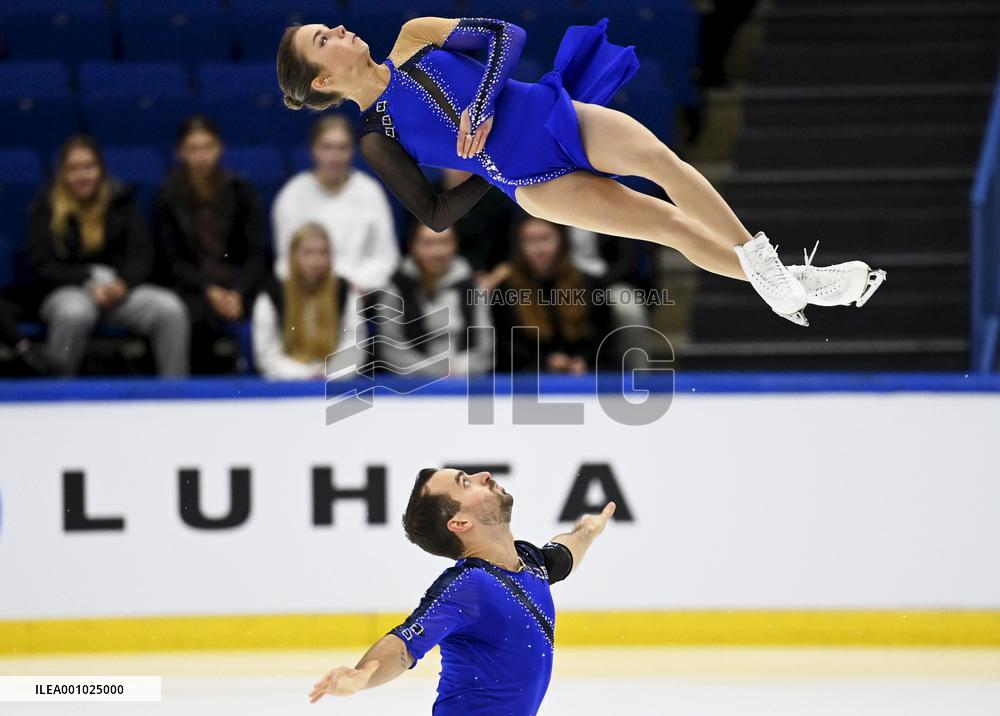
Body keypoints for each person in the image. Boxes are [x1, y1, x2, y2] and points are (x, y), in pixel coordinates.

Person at [276, 16, 885, 328]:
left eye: (327, 27)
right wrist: (487, 167)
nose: (339, 30)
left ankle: (777, 274)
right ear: (323, 80)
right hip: (535, 185)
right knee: (668, 226)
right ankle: (795, 284)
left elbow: (506, 36)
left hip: (555, 116)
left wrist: (483, 106)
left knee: (661, 164)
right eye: (323, 39)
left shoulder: (414, 36)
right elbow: (435, 216)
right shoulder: (377, 140)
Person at [308, 467, 616, 714]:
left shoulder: (530, 562)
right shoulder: (468, 585)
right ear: (459, 522)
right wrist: (363, 675)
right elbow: (405, 643)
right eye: (465, 483)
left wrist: (588, 530)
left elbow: (563, 555)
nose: (483, 475)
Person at [27, 134, 189, 377]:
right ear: (62, 172)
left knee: (170, 309)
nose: (82, 175)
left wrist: (122, 283)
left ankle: (175, 391)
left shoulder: (119, 199)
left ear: (100, 168)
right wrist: (87, 281)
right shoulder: (47, 206)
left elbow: (142, 254)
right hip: (69, 289)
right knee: (73, 314)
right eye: (73, 169)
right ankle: (58, 387)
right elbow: (42, 264)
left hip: (119, 290)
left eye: (89, 167)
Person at [153, 115, 267, 374]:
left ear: (219, 148)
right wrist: (209, 290)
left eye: (207, 147)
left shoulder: (241, 192)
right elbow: (171, 260)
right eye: (193, 149)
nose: (201, 156)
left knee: (267, 304)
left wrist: (237, 291)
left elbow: (256, 253)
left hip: (239, 285)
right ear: (180, 152)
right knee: (194, 315)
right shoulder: (167, 196)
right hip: (194, 288)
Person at [271, 115, 399, 290]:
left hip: (363, 293)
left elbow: (386, 256)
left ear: (352, 151)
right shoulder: (292, 195)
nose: (334, 156)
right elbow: (285, 261)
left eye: (342, 148)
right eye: (327, 147)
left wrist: (356, 286)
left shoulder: (370, 192)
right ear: (313, 150)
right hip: (307, 293)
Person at [491, 213, 616, 374]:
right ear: (518, 245)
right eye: (530, 241)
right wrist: (545, 363)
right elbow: (506, 347)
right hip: (528, 381)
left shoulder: (588, 285)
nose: (539, 249)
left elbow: (604, 339)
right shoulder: (506, 290)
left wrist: (585, 361)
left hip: (587, 376)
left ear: (561, 240)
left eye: (545, 239)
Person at [372, 221, 492, 377]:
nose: (438, 251)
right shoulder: (395, 289)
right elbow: (390, 347)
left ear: (455, 245)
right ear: (413, 247)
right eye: (428, 243)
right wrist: (434, 373)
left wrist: (461, 369)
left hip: (466, 379)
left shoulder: (473, 287)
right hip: (413, 385)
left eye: (444, 242)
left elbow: (485, 345)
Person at [251, 222, 363, 379]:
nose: (316, 261)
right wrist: (305, 374)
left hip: (335, 382)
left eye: (322, 253)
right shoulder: (272, 294)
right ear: (294, 256)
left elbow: (355, 344)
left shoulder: (345, 291)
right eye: (308, 253)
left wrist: (329, 373)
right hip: (288, 384)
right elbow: (267, 355)